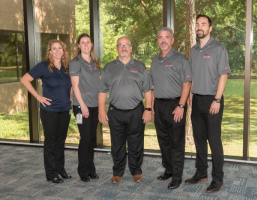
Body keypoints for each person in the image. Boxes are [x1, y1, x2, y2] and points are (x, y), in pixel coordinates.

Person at [184, 14, 231, 193]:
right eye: (197, 24)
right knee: (199, 140)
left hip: (213, 100)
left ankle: (217, 179)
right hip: (196, 100)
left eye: (203, 24)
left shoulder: (219, 48)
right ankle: (201, 173)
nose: (199, 27)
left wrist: (217, 99)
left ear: (210, 28)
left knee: (214, 141)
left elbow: (223, 75)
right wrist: (191, 95)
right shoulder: (194, 50)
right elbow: (194, 75)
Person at [98, 36, 151, 184]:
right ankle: (117, 172)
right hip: (115, 112)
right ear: (116, 48)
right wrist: (101, 110)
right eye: (120, 45)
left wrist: (148, 109)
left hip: (136, 111)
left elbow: (147, 90)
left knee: (136, 143)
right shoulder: (109, 68)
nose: (123, 48)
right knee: (117, 144)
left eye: (126, 45)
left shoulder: (140, 67)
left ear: (131, 48)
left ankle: (136, 171)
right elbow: (102, 91)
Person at [21, 39, 72, 183]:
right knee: (51, 141)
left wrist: (71, 93)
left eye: (60, 48)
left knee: (61, 141)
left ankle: (60, 170)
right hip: (49, 110)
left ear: (63, 51)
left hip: (65, 109)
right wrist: (38, 96)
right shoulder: (43, 66)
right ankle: (51, 173)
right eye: (54, 48)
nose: (57, 51)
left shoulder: (67, 66)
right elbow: (24, 79)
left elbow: (70, 84)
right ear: (49, 52)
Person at [150, 27, 192, 189]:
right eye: (160, 37)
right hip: (159, 105)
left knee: (176, 143)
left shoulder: (181, 60)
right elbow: (153, 85)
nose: (163, 40)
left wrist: (181, 105)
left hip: (176, 105)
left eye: (166, 37)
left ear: (172, 40)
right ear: (157, 40)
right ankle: (168, 169)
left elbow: (187, 84)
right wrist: (152, 105)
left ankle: (177, 176)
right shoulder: (154, 60)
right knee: (163, 141)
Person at [69, 33, 101, 182]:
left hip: (95, 106)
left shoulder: (96, 62)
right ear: (78, 46)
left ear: (91, 44)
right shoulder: (75, 63)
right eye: (83, 43)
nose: (86, 45)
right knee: (85, 138)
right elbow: (75, 86)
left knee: (91, 139)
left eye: (88, 42)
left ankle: (91, 169)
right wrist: (83, 106)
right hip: (81, 106)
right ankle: (83, 171)